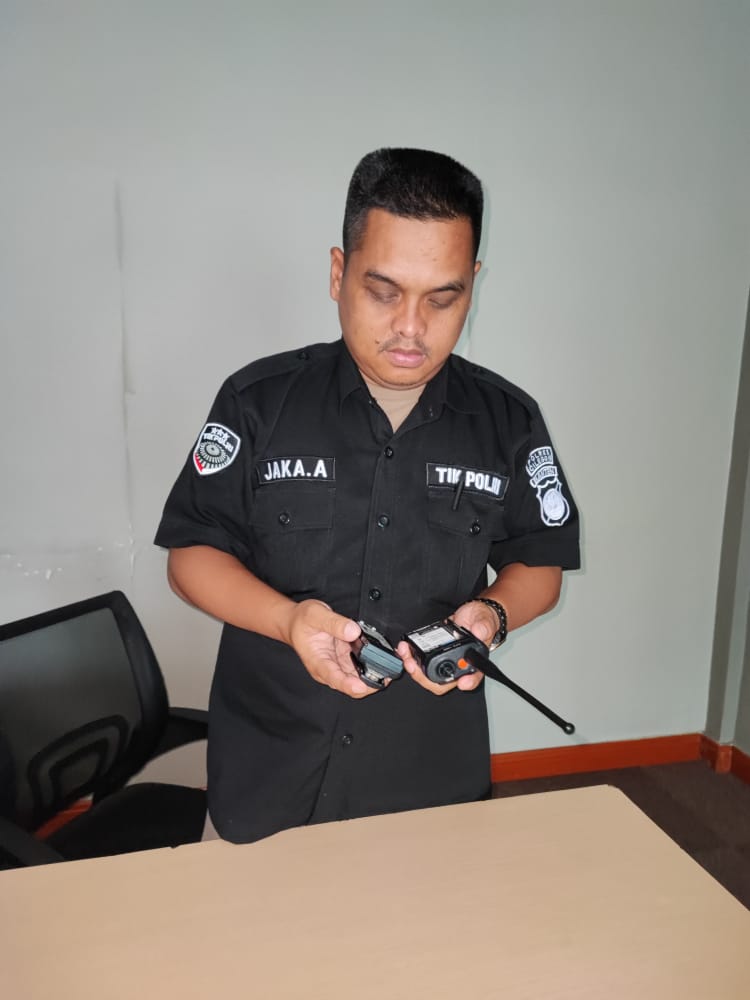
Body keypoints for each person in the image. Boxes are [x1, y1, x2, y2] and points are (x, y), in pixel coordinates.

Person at [155, 147, 580, 843]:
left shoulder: (509, 420)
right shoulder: (257, 402)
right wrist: (288, 621)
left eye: (443, 298)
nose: (411, 326)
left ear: (473, 284)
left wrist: (492, 616)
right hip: (269, 769)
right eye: (384, 292)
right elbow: (190, 556)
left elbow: (540, 561)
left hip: (428, 775)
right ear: (338, 273)